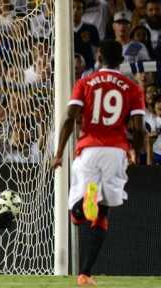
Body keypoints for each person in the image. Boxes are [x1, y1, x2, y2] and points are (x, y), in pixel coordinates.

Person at [52, 40, 145, 286]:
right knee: (103, 212)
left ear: (99, 55)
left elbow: (70, 117)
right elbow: (138, 128)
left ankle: (83, 204)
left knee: (76, 214)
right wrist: (135, 152)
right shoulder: (133, 87)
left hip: (89, 148)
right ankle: (85, 273)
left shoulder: (85, 82)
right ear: (121, 60)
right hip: (116, 151)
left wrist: (59, 151)